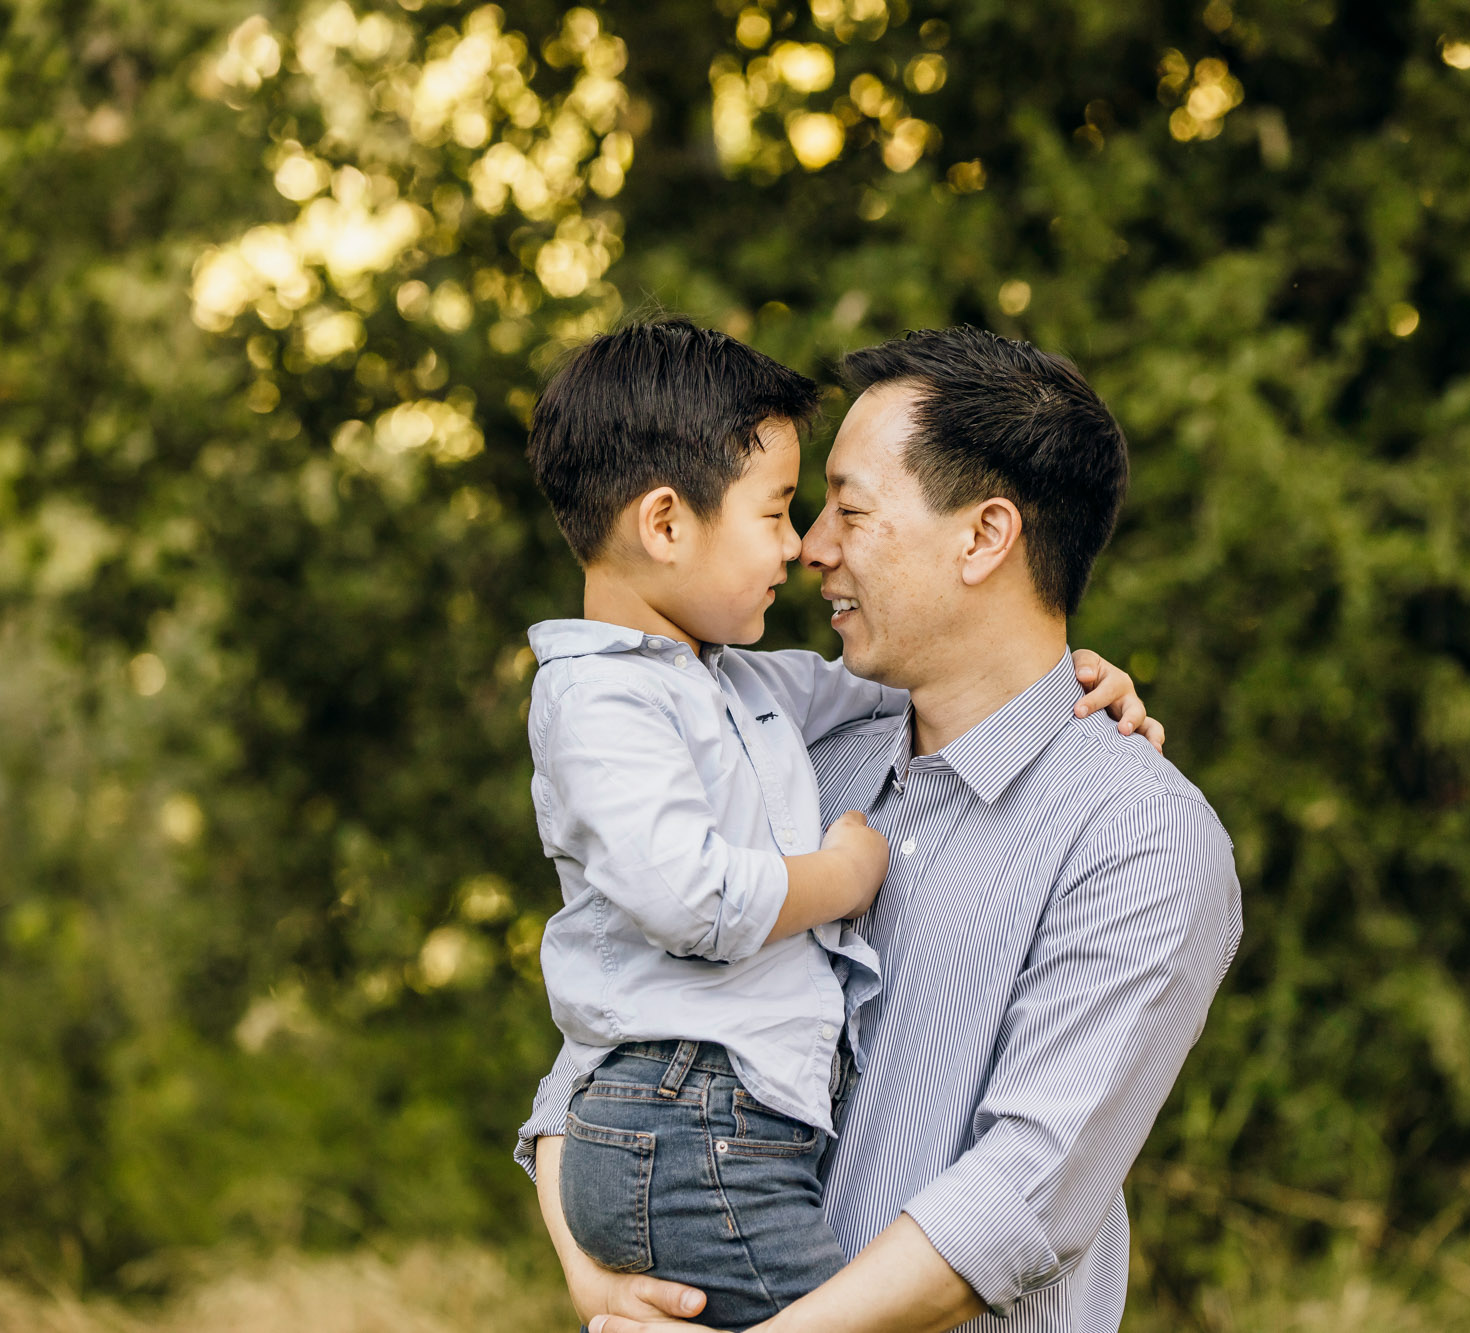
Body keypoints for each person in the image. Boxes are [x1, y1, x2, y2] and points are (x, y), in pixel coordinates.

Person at [525, 324, 1243, 1332]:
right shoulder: (786, 760)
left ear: (984, 537)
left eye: (847, 510)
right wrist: (590, 1273)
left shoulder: (1137, 835)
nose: (809, 544)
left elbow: (1019, 1194)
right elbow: (613, 1031)